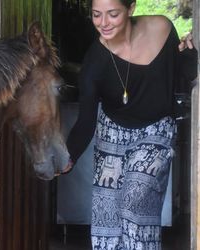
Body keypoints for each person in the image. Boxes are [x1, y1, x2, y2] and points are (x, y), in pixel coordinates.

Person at [62, 0, 198, 249]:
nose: (103, 23)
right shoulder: (95, 61)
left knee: (134, 200)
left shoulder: (162, 29)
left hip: (156, 131)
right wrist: (68, 156)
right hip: (112, 135)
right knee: (108, 220)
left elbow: (179, 78)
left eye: (112, 14)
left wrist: (190, 60)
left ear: (131, 8)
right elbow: (86, 119)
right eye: (96, 15)